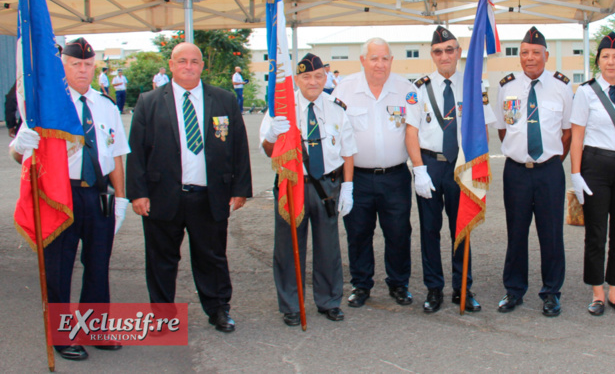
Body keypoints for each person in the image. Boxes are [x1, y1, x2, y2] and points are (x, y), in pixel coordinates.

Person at [10, 37, 130, 361]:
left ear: (95, 67)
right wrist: (21, 144)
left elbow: (116, 154)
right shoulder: (47, 107)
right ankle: (61, 336)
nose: (82, 70)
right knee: (59, 268)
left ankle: (95, 329)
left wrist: (120, 198)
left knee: (97, 266)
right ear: (63, 66)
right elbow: (19, 153)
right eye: (75, 64)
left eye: (88, 65)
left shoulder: (105, 105)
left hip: (98, 194)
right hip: (60, 194)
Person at [126, 42, 252, 333]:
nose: (188, 66)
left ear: (201, 66)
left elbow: (238, 147)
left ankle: (219, 310)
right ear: (171, 65)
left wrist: (240, 188)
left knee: (212, 257)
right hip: (162, 196)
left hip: (209, 195)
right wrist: (138, 193)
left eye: (194, 61)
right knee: (161, 260)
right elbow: (137, 152)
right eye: (181, 61)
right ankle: (162, 316)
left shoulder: (224, 100)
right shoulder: (149, 101)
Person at [260, 53, 357, 326]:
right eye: (305, 76)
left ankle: (328, 301)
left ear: (325, 77)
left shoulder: (336, 107)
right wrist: (271, 135)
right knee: (289, 247)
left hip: (327, 186)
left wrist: (348, 187)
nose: (312, 82)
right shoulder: (282, 108)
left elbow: (348, 152)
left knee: (328, 248)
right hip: (292, 184)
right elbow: (269, 152)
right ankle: (291, 304)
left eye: (317, 76)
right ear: (297, 79)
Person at [406, 26, 494, 313]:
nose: (444, 55)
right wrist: (419, 170)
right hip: (430, 165)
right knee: (430, 231)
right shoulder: (417, 89)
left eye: (450, 50)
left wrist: (478, 166)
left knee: (462, 228)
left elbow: (482, 130)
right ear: (432, 55)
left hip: (461, 165)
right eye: (438, 51)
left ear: (458, 53)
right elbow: (410, 133)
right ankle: (434, 289)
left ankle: (462, 288)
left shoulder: (473, 86)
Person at [494, 26, 573, 317]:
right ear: (519, 56)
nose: (530, 58)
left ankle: (551, 292)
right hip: (515, 172)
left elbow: (567, 133)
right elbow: (504, 130)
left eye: (536, 53)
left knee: (551, 234)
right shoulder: (506, 86)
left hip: (549, 171)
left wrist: (549, 161)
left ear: (546, 56)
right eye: (525, 52)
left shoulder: (562, 87)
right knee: (516, 233)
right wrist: (521, 153)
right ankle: (514, 290)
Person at [333, 38, 414, 308]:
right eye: (374, 58)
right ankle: (361, 284)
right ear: (362, 60)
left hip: (395, 176)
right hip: (358, 177)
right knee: (357, 233)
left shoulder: (406, 89)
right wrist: (343, 183)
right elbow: (336, 136)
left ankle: (399, 283)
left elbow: (414, 132)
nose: (380, 64)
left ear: (391, 60)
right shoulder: (344, 90)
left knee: (399, 232)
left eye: (385, 58)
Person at [570, 32, 615, 317]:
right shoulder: (586, 92)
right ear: (597, 61)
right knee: (596, 233)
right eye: (605, 57)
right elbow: (577, 137)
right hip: (595, 166)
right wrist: (576, 174)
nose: (610, 62)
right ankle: (597, 293)